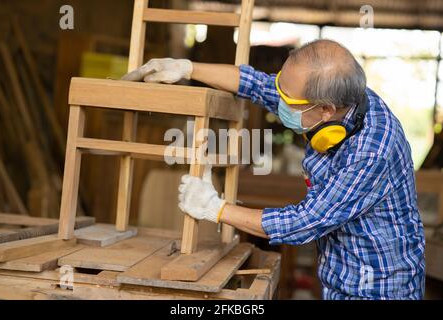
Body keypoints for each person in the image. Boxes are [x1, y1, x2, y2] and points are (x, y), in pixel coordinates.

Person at [122, 39, 425, 300]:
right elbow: (259, 85)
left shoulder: (372, 152)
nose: (279, 103)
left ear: (326, 111)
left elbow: (305, 222)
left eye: (288, 103)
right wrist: (188, 68)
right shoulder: (339, 101)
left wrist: (215, 208)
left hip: (380, 287)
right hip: (339, 277)